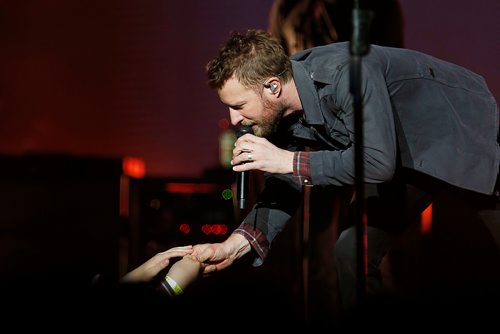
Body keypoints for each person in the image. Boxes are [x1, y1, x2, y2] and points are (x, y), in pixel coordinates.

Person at [192, 29, 500, 323]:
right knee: (352, 251)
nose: (234, 119)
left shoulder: (348, 74)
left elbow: (376, 163)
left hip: (460, 134)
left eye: (239, 105)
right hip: (400, 158)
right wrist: (233, 245)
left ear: (272, 86)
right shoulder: (280, 108)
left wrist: (287, 160)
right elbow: (285, 185)